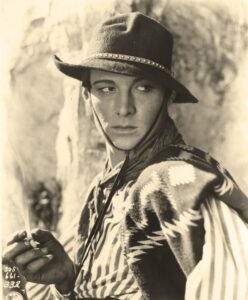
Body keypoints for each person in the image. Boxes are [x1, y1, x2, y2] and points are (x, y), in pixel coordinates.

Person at [3, 12, 248, 300]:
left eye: (143, 88)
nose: (123, 108)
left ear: (167, 97)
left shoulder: (174, 183)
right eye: (106, 89)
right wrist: (68, 281)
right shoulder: (103, 191)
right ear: (86, 97)